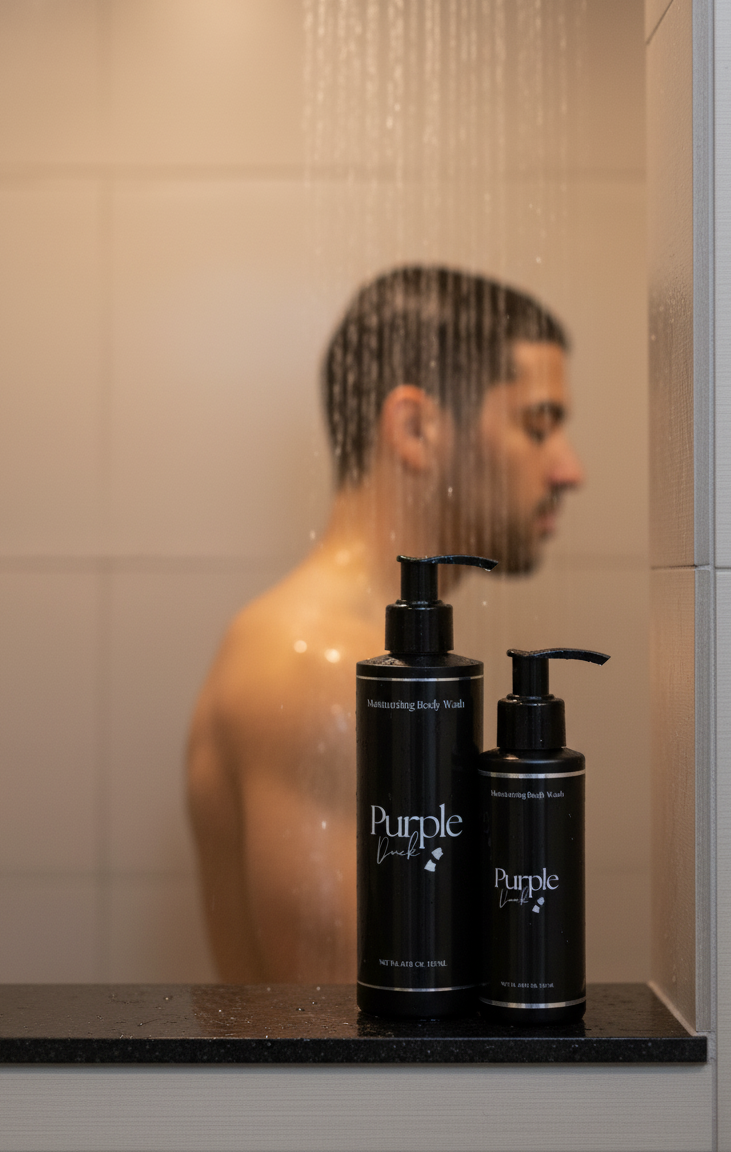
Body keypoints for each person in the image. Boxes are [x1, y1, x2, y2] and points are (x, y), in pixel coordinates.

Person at [188, 266, 584, 982]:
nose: (569, 470)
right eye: (538, 425)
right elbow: (370, 1051)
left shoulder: (332, 650)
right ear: (415, 428)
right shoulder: (328, 671)